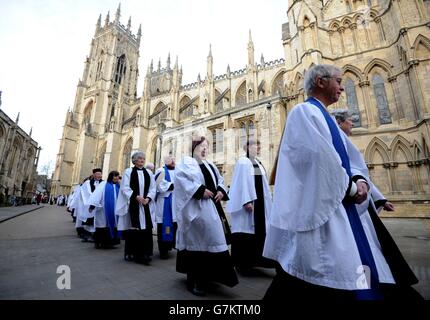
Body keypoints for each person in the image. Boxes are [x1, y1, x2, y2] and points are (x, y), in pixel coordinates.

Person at [263, 64, 421, 301]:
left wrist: (360, 180)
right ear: (320, 82)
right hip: (324, 212)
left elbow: (350, 159)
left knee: (357, 266)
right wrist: (353, 187)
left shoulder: (326, 116)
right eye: (338, 81)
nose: (342, 88)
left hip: (342, 207)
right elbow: (319, 159)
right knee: (324, 273)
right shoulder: (303, 112)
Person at [173, 135, 238, 296]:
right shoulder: (186, 163)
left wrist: (222, 191)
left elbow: (220, 180)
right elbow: (181, 181)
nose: (204, 149)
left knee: (213, 241)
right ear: (193, 147)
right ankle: (194, 281)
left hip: (212, 209)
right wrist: (200, 190)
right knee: (198, 244)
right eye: (201, 146)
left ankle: (210, 277)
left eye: (206, 146)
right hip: (196, 210)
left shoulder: (210, 165)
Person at [332, 108, 395, 213]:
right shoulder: (336, 145)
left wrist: (381, 200)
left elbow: (360, 176)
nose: (352, 124)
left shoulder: (345, 144)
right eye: (350, 120)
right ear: (338, 122)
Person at [227, 139, 275, 274]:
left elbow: (261, 183)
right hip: (249, 204)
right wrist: (246, 200)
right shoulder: (244, 162)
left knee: (259, 232)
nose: (259, 147)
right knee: (246, 232)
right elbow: (242, 182)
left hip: (260, 203)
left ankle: (256, 261)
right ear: (248, 147)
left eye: (260, 145)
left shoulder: (257, 162)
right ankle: (242, 264)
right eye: (256, 145)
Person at [116, 151, 156, 265]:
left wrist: (148, 198)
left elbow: (153, 188)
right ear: (134, 160)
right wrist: (136, 197)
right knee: (135, 228)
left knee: (147, 229)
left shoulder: (148, 172)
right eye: (139, 158)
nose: (142, 160)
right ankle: (134, 253)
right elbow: (125, 187)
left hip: (145, 204)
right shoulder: (129, 171)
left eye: (143, 158)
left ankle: (147, 253)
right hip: (134, 204)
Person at [88, 171, 122, 249]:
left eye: (117, 176)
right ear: (111, 176)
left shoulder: (118, 186)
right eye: (115, 176)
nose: (116, 177)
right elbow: (96, 195)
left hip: (114, 211)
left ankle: (109, 243)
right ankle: (99, 243)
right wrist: (92, 206)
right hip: (103, 210)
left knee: (113, 225)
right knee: (102, 226)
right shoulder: (103, 184)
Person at [154, 155, 177, 259]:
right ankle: (163, 250)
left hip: (175, 202)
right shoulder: (161, 170)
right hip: (164, 202)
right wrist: (171, 185)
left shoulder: (178, 171)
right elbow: (158, 184)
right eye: (171, 160)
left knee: (174, 225)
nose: (173, 162)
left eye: (173, 160)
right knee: (163, 225)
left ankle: (170, 246)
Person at [80, 169, 103, 242]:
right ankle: (87, 236)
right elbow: (84, 193)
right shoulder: (88, 183)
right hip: (89, 204)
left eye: (100, 174)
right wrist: (91, 202)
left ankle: (96, 237)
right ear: (93, 175)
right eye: (97, 174)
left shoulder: (103, 183)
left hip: (100, 205)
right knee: (88, 221)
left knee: (98, 221)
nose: (99, 175)